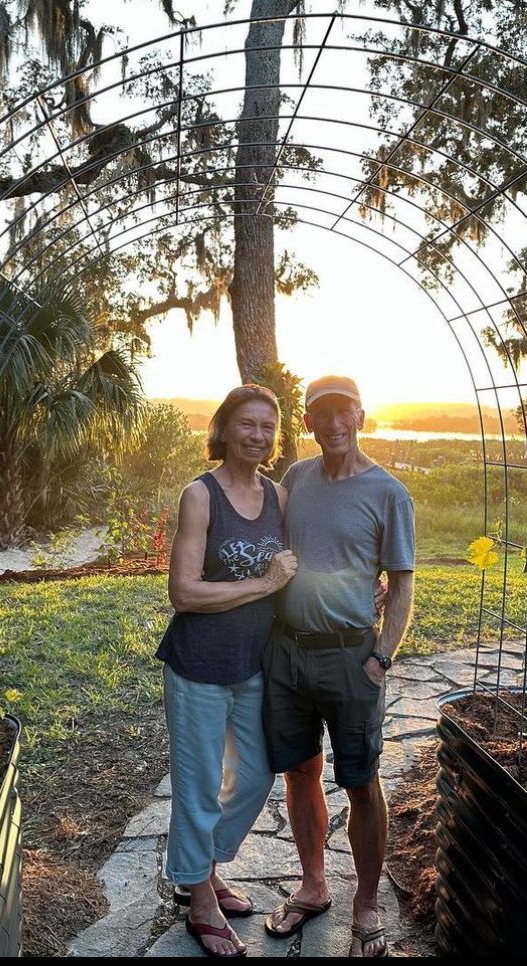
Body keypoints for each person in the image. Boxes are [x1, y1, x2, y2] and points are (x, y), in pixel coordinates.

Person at [261, 374, 416, 958]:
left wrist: (381, 657)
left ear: (361, 416)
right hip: (288, 653)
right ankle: (314, 885)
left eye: (342, 413)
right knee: (299, 773)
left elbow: (401, 584)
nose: (332, 425)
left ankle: (367, 903)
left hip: (353, 658)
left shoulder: (388, 493)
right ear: (307, 423)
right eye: (321, 415)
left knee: (360, 783)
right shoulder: (296, 478)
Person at [157, 384, 298, 957]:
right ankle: (200, 900)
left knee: (259, 774)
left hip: (254, 664)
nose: (257, 435)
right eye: (247, 424)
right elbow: (183, 593)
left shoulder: (277, 497)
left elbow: (298, 569)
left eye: (267, 426)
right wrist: (261, 584)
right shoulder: (201, 495)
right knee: (197, 788)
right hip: (198, 666)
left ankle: (201, 868)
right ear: (224, 427)